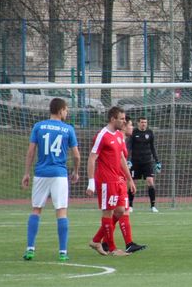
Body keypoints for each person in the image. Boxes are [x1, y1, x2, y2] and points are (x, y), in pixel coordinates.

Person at [21, 98, 81, 262]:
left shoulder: (38, 126)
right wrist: (75, 171)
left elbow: (31, 151)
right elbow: (76, 155)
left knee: (36, 209)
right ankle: (62, 252)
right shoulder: (68, 129)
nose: (67, 112)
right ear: (61, 110)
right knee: (61, 211)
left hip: (41, 173)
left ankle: (30, 249)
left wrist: (27, 173)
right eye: (66, 109)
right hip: (59, 174)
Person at [86, 107, 145, 256]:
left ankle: (96, 240)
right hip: (106, 181)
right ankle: (112, 249)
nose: (124, 121)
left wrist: (130, 179)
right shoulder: (102, 135)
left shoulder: (119, 135)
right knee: (108, 213)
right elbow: (92, 158)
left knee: (119, 211)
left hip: (118, 180)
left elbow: (121, 158)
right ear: (113, 119)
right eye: (121, 118)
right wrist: (91, 182)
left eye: (125, 119)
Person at [128, 116, 161, 212]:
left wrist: (157, 161)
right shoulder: (134, 132)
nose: (144, 124)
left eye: (145, 122)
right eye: (142, 122)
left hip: (147, 162)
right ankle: (130, 206)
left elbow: (152, 147)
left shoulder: (150, 133)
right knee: (132, 183)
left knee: (150, 181)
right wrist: (128, 159)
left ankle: (153, 206)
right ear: (138, 123)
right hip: (135, 162)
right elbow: (129, 146)